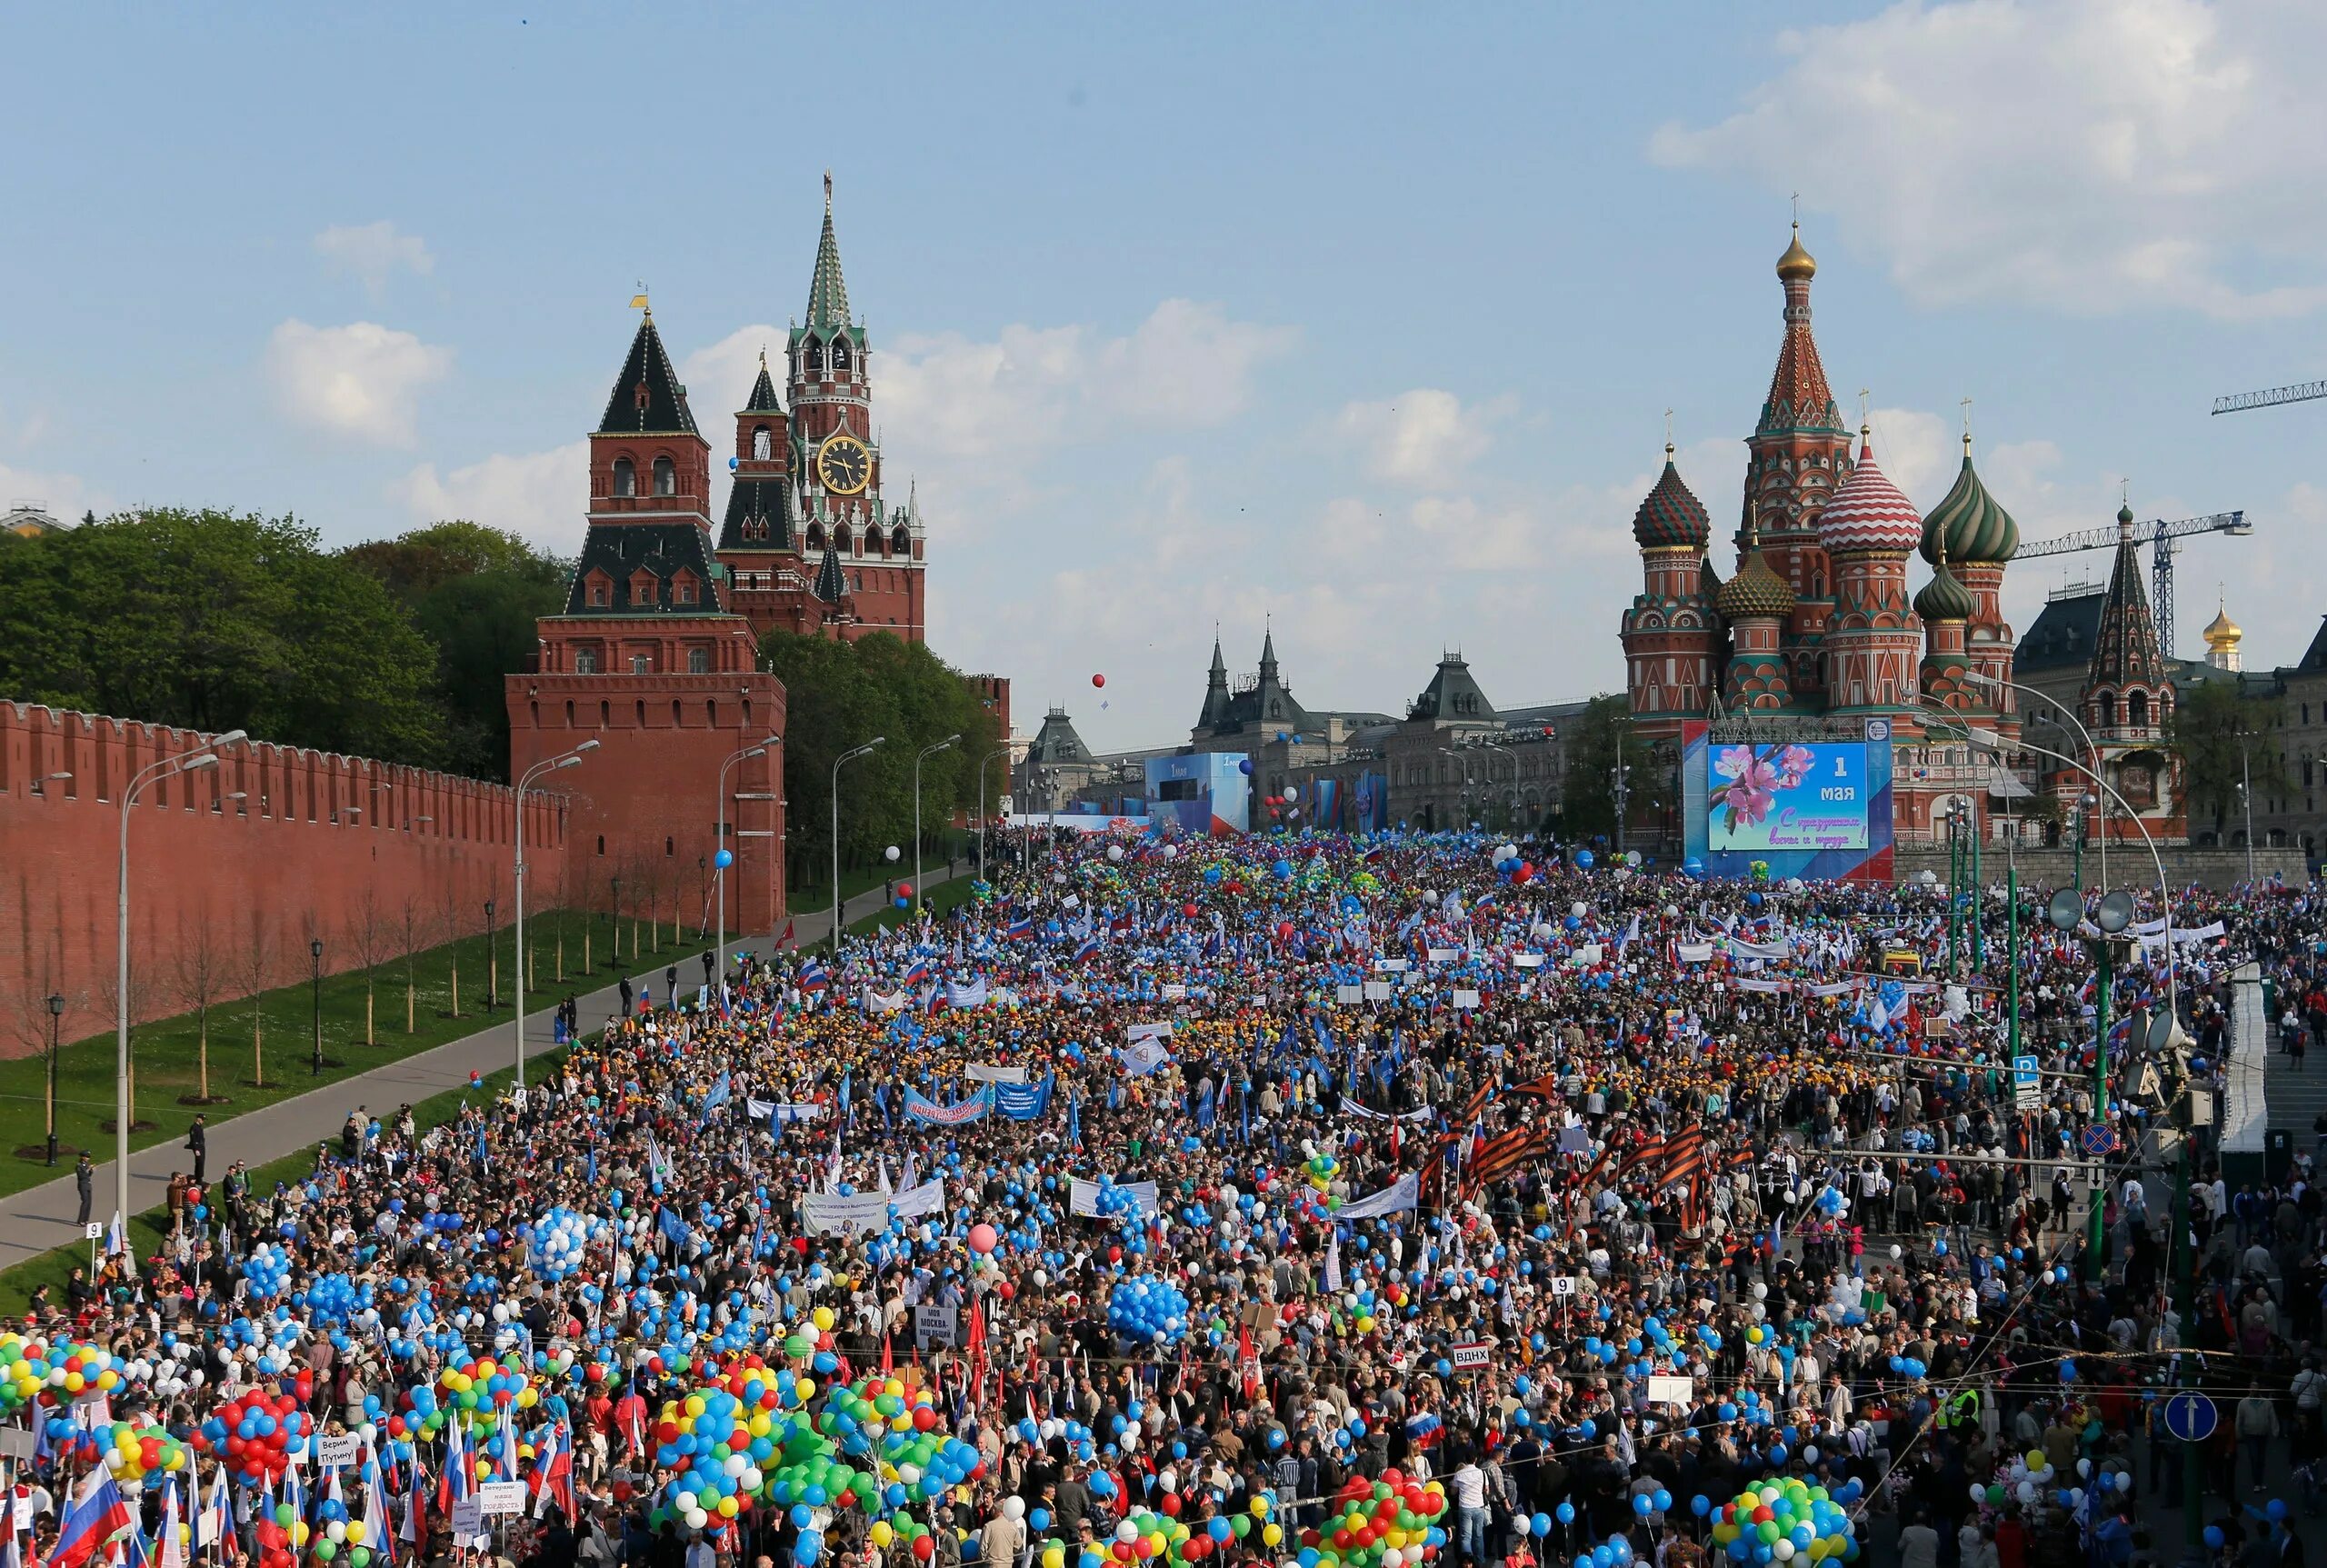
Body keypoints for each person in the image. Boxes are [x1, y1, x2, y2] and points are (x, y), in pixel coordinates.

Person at [186, 1113, 208, 1183]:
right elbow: (194, 1139)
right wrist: (196, 1149)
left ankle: (197, 1177)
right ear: (198, 1119)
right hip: (198, 1147)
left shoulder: (199, 1127)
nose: (203, 1121)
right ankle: (199, 1179)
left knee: (201, 1162)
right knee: (200, 1162)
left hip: (201, 1146)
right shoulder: (194, 1127)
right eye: (202, 1119)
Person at [74, 1152, 93, 1226]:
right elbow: (81, 1176)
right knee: (85, 1201)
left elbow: (89, 1175)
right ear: (83, 1157)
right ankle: (80, 1220)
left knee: (89, 1202)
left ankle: (86, 1219)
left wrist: (91, 1170)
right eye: (87, 1157)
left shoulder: (87, 1164)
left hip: (88, 1184)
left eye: (88, 1157)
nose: (88, 1158)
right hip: (83, 1185)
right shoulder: (79, 1166)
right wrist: (88, 1170)